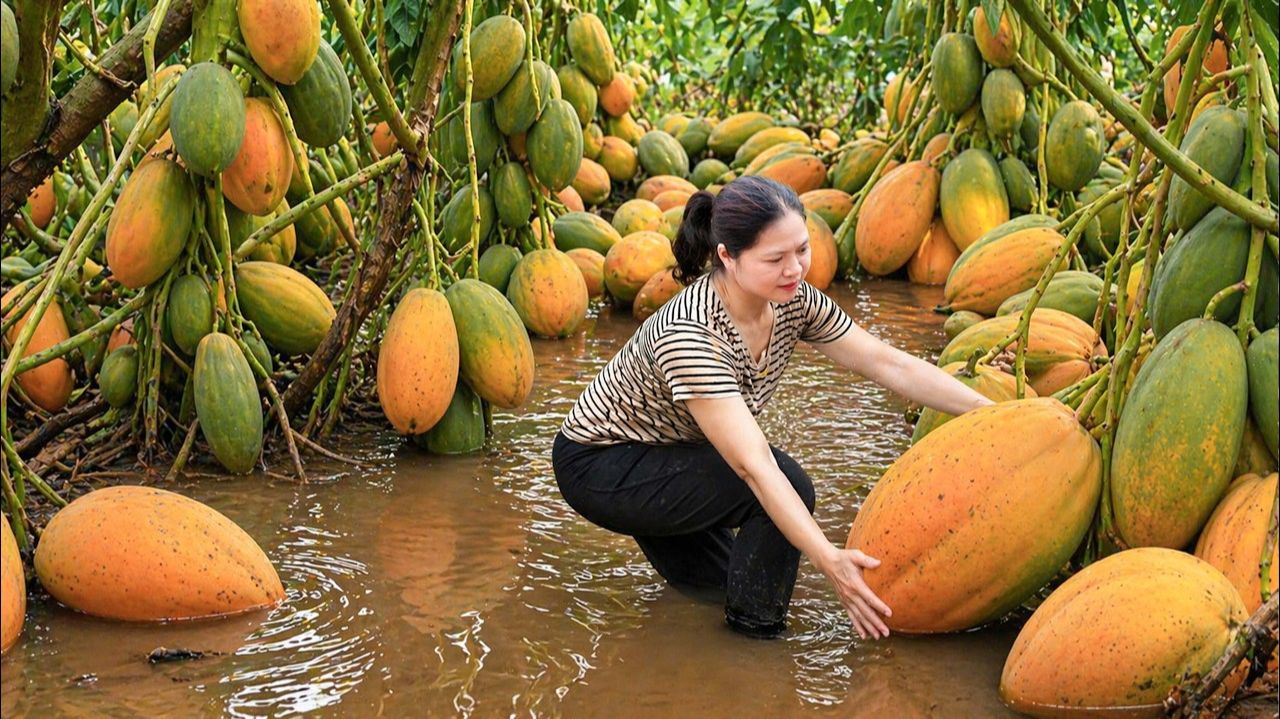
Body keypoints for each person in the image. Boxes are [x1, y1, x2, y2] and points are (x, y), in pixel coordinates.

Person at [551, 176, 994, 640]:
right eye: (775, 259)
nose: (794, 269)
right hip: (602, 463)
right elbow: (755, 467)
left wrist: (988, 411)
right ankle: (755, 640)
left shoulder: (792, 301)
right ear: (727, 257)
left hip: (677, 447)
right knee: (787, 487)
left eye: (802, 249)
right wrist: (830, 561)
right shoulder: (691, 336)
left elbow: (887, 363)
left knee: (720, 586)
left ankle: (719, 637)